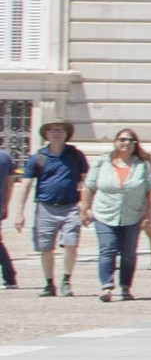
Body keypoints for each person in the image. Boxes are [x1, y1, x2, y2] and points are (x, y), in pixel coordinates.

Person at [85, 129, 151, 302]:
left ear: (135, 144)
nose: (126, 143)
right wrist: (84, 208)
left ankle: (126, 286)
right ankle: (106, 286)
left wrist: (149, 214)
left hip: (132, 215)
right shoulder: (103, 161)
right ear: (116, 142)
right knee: (107, 248)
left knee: (128, 253)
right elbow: (89, 186)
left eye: (130, 140)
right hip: (105, 213)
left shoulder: (142, 165)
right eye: (122, 139)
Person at [19, 119, 89, 296]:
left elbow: (86, 180)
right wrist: (19, 212)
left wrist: (86, 205)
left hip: (71, 206)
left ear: (66, 134)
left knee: (70, 244)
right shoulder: (39, 157)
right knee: (45, 247)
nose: (57, 133)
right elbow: (26, 184)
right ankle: (49, 283)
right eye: (52, 130)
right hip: (46, 207)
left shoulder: (75, 155)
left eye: (60, 130)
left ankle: (66, 280)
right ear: (46, 134)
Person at [0, 139, 16, 289]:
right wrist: (5, 205)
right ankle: (10, 276)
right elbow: (10, 183)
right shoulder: (6, 157)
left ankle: (10, 276)